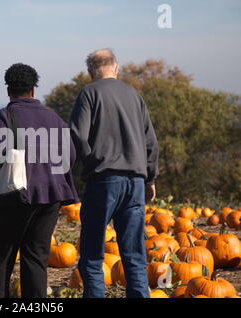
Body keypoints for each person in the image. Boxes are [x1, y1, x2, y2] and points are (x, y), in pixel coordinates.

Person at [0, 63, 79, 298]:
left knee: (2, 256)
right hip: (51, 197)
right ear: (33, 90)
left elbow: (0, 154)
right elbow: (71, 156)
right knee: (35, 257)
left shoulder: (5, 115)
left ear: (9, 90)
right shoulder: (54, 117)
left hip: (17, 195)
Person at [69, 49, 159, 298]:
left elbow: (77, 134)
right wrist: (149, 178)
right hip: (136, 182)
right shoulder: (134, 95)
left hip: (103, 181)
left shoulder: (89, 93)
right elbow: (150, 142)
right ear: (116, 68)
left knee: (92, 252)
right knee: (134, 253)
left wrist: (90, 160)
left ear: (90, 72)